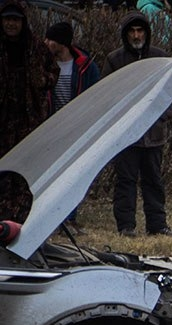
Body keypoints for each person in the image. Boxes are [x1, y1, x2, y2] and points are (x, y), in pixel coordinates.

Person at [103, 12, 172, 237]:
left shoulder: (159, 57)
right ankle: (126, 225)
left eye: (140, 30)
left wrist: (164, 116)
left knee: (153, 179)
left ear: (147, 32)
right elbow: (107, 95)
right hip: (125, 134)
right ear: (126, 34)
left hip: (153, 132)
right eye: (132, 31)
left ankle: (157, 224)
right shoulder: (115, 60)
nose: (136, 35)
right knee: (126, 180)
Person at [44, 22, 100, 234]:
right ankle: (51, 218)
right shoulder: (43, 63)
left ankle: (69, 218)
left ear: (61, 43)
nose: (46, 43)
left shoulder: (85, 66)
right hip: (50, 128)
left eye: (50, 40)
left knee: (74, 175)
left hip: (76, 128)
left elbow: (96, 95)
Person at [0, 0, 57, 159]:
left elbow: (54, 73)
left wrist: (43, 80)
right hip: (3, 122)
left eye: (15, 20)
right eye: (7, 19)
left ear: (23, 22)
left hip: (30, 120)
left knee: (27, 164)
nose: (11, 24)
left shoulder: (36, 47)